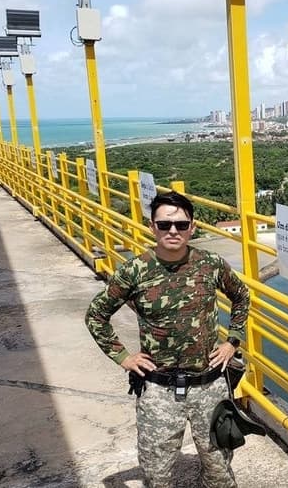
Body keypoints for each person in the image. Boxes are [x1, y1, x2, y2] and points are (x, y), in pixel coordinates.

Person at [85, 191, 250, 488]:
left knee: (219, 473)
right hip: (159, 389)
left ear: (192, 228)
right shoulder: (134, 271)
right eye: (164, 225)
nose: (173, 231)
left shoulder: (210, 264)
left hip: (208, 385)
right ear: (152, 227)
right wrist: (124, 357)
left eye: (181, 225)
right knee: (157, 474)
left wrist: (232, 341)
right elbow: (96, 315)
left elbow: (241, 296)